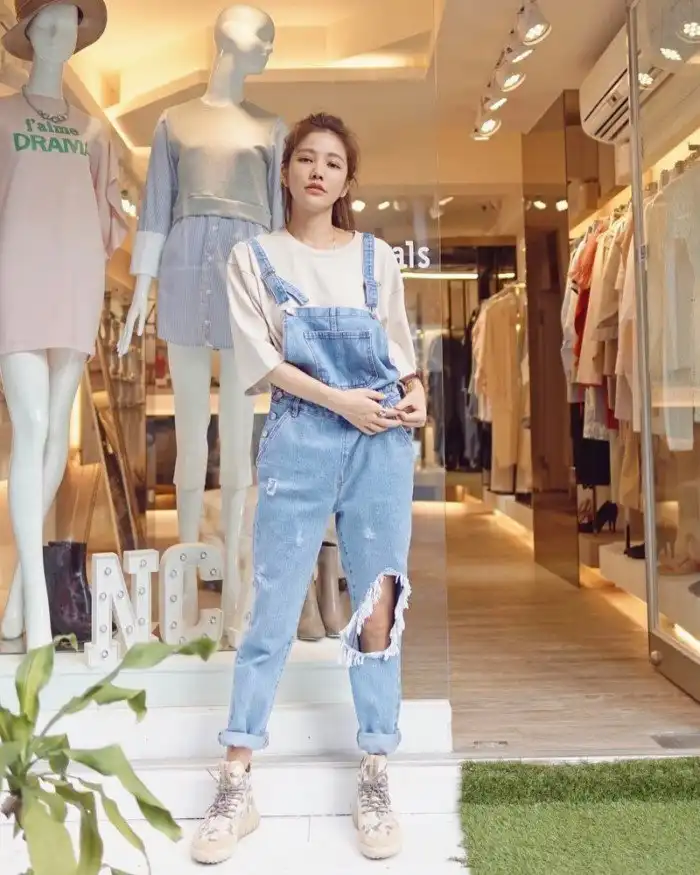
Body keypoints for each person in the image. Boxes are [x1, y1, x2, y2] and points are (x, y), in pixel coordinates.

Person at [190, 112, 427, 866]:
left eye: (333, 162)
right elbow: (262, 361)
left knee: (377, 606)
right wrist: (340, 402)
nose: (319, 171)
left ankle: (376, 768)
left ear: (348, 180)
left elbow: (398, 346)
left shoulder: (376, 256)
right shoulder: (253, 256)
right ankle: (236, 777)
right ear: (286, 172)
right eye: (306, 159)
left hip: (380, 437)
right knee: (271, 605)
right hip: (301, 434)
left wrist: (416, 392)